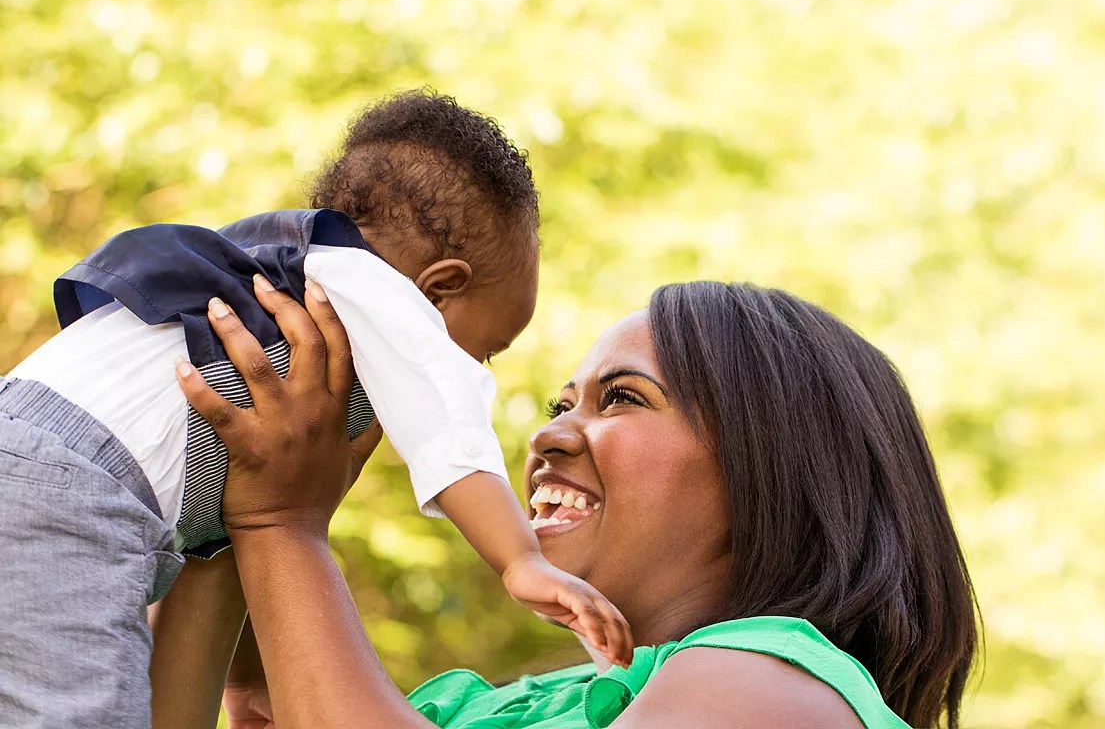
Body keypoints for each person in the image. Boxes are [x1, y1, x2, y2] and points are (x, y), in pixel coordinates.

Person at [0, 90, 630, 729]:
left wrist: (247, 682)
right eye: (488, 348)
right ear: (441, 289)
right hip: (69, 495)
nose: (472, 367)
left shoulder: (272, 275)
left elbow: (222, 520)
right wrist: (519, 559)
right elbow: (450, 429)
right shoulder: (379, 293)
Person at [155, 279, 980, 728]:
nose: (550, 437)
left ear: (774, 466)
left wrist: (283, 525)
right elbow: (272, 706)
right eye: (561, 406)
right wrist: (236, 491)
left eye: (622, 399)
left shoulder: (776, 687)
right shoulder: (482, 709)